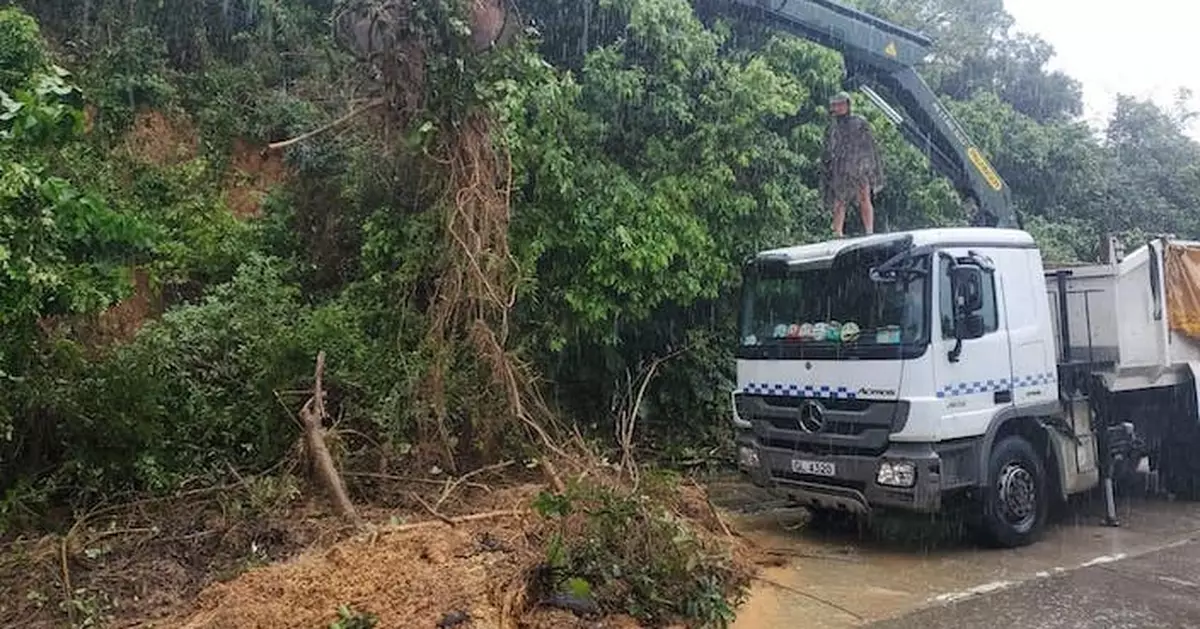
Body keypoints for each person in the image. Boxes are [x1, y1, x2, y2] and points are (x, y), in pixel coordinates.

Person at [820, 91, 885, 238]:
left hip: (859, 167)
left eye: (841, 104)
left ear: (848, 105)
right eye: (835, 104)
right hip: (840, 169)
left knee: (864, 198)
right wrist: (828, 168)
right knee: (839, 200)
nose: (838, 107)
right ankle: (837, 232)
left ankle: (869, 230)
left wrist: (866, 167)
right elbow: (828, 150)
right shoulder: (832, 126)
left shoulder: (859, 122)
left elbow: (869, 147)